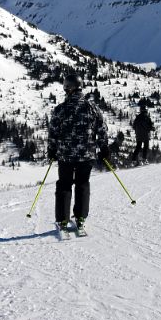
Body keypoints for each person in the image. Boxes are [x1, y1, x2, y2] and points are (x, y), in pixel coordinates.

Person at [47, 72, 110, 234]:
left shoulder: (60, 109)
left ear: (68, 89)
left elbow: (53, 132)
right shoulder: (92, 108)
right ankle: (80, 217)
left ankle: (62, 219)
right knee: (82, 184)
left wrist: (52, 150)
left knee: (64, 185)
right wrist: (104, 149)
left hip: (65, 155)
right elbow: (102, 129)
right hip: (86, 154)